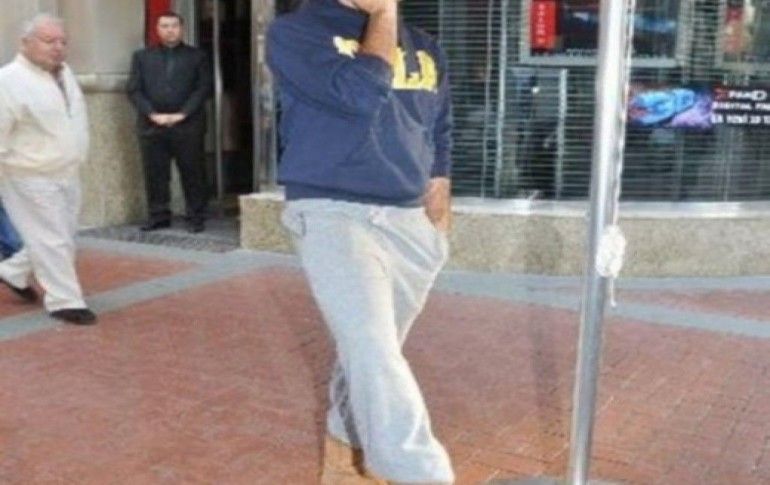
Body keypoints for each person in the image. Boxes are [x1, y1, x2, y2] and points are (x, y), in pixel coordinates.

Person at [267, 1, 455, 483]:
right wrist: (384, 17)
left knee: (373, 350)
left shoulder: (425, 45)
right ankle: (422, 473)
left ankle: (343, 452)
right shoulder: (295, 33)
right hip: (334, 211)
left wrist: (439, 191)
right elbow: (360, 93)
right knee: (374, 352)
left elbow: (437, 123)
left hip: (409, 219)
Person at [0, 14, 96, 324]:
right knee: (53, 239)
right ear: (25, 43)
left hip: (66, 169)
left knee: (60, 234)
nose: (58, 47)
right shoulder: (8, 81)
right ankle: (65, 301)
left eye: (62, 41)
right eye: (48, 41)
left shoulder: (65, 74)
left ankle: (12, 271)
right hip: (27, 174)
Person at [127, 11, 212, 233]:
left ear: (182, 29)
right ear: (157, 30)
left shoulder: (197, 56)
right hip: (152, 125)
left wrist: (182, 114)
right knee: (155, 173)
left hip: (188, 125)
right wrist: (152, 114)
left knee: (193, 172)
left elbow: (203, 88)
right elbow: (134, 90)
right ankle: (158, 216)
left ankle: (196, 216)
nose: (169, 30)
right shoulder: (142, 57)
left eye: (174, 26)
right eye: (164, 26)